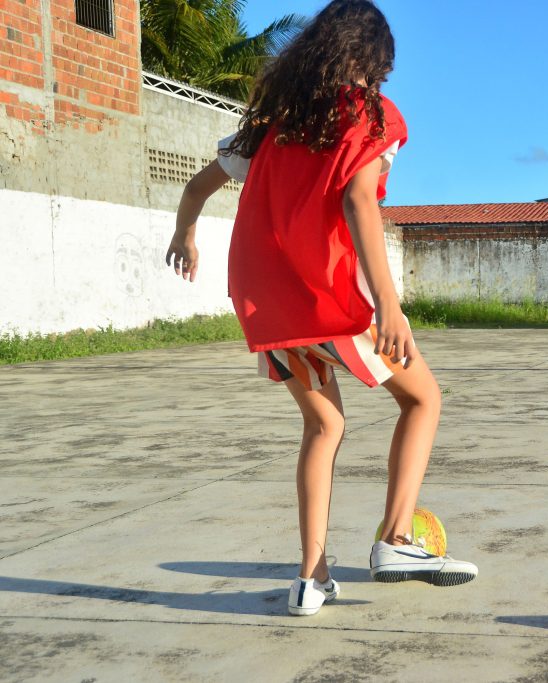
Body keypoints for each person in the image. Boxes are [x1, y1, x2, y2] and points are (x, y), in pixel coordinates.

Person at [164, 0, 476, 617]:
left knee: (324, 427)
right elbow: (361, 200)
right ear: (374, 61)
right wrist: (389, 301)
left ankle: (310, 580)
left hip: (268, 307)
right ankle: (396, 540)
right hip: (330, 298)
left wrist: (185, 234)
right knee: (424, 399)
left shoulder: (270, 123)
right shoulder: (372, 116)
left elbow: (197, 187)